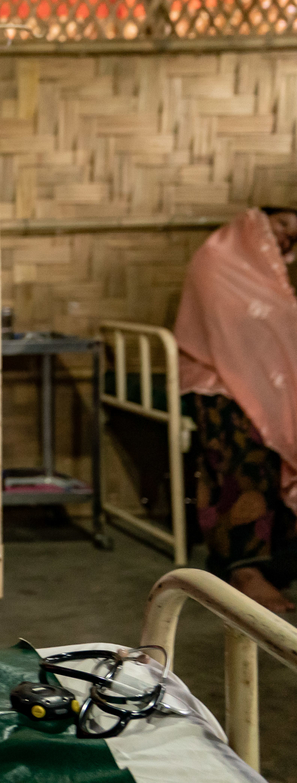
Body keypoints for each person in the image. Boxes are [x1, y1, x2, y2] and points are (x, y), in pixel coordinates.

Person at [175, 206, 297, 612]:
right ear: (257, 220)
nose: (285, 239)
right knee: (248, 443)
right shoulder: (217, 260)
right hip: (216, 380)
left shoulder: (271, 276)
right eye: (282, 226)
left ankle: (282, 558)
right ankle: (243, 566)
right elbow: (230, 333)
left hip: (262, 382)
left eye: (294, 238)